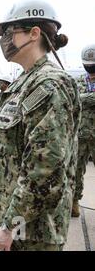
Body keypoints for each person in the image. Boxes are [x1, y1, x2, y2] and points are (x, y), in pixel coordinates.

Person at [0, 0, 80, 251]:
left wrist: (9, 224)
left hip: (29, 233)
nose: (4, 40)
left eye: (9, 33)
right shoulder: (24, 83)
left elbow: (45, 170)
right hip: (12, 219)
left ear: (34, 33)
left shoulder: (49, 85)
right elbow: (11, 152)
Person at [72, 44, 95, 217]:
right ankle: (74, 201)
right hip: (80, 134)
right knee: (76, 170)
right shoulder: (77, 81)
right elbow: (75, 101)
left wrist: (83, 98)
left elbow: (81, 99)